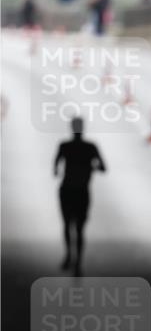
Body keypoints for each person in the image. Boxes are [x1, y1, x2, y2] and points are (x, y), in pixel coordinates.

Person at [54, 117, 106, 274]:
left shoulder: (64, 146)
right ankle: (78, 263)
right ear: (83, 128)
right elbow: (103, 167)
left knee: (67, 224)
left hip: (67, 189)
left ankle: (69, 256)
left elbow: (55, 169)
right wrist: (90, 167)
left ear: (71, 128)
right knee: (80, 228)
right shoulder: (90, 147)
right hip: (82, 191)